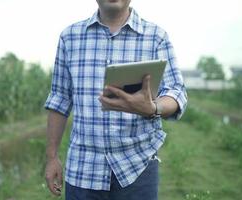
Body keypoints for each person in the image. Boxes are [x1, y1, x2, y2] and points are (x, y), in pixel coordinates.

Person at [44, 0, 187, 199]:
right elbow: (59, 99)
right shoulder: (70, 37)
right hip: (83, 169)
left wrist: (153, 107)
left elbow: (176, 92)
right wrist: (51, 158)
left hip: (138, 167)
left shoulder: (156, 37)